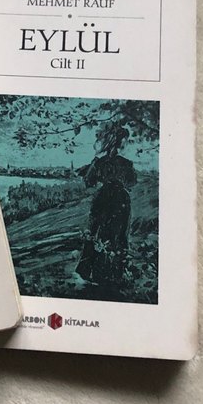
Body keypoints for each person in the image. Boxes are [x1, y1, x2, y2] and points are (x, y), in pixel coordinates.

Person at [76, 122, 137, 286]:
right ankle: (114, 272)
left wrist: (93, 167)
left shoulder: (100, 162)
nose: (126, 144)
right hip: (119, 200)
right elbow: (132, 182)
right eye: (125, 141)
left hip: (103, 198)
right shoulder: (126, 164)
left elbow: (89, 182)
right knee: (118, 233)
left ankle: (93, 271)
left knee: (98, 231)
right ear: (119, 142)